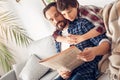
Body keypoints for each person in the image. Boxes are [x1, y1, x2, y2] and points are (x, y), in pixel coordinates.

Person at [43, 2, 110, 80]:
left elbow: (105, 43)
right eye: (51, 20)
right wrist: (61, 71)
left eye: (57, 15)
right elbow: (60, 61)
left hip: (85, 71)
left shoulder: (81, 24)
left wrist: (94, 51)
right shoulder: (57, 36)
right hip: (67, 74)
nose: (55, 21)